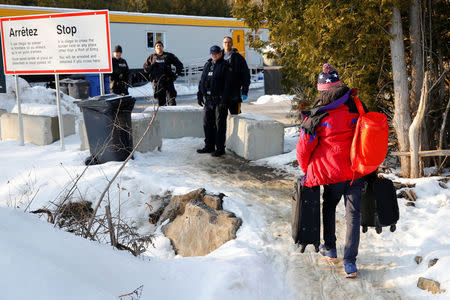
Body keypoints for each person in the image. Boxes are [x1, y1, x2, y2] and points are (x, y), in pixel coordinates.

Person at [296, 63, 367, 278]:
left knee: (328, 206)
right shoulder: (356, 106)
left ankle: (331, 247)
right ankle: (350, 262)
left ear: (321, 89)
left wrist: (306, 169)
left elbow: (303, 148)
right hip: (355, 170)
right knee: (353, 215)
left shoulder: (318, 115)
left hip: (332, 174)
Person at [196, 45, 231, 157]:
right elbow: (202, 80)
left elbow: (228, 85)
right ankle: (209, 146)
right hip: (209, 101)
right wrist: (200, 94)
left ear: (220, 53)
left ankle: (220, 148)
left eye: (216, 53)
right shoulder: (208, 65)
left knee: (219, 125)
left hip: (220, 100)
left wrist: (224, 100)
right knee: (207, 124)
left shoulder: (225, 66)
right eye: (212, 54)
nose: (214, 55)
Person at [143, 41, 183, 106]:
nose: (159, 47)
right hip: (158, 84)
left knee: (172, 102)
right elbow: (145, 68)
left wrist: (176, 74)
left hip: (168, 82)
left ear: (163, 47)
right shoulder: (151, 57)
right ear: (155, 48)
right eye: (157, 46)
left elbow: (179, 65)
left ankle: (173, 116)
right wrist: (152, 66)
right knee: (161, 105)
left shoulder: (168, 55)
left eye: (160, 45)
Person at [222, 36, 250, 114]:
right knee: (220, 119)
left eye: (229, 42)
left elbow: (246, 76)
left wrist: (244, 91)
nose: (227, 44)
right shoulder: (218, 57)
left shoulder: (239, 58)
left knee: (236, 116)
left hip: (234, 93)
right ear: (222, 44)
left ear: (232, 44)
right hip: (221, 94)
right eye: (225, 42)